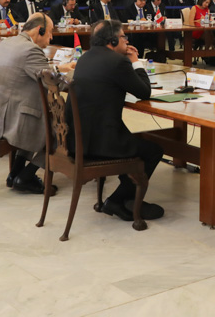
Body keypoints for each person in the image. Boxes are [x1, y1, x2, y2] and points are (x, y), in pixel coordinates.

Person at [67, 19, 162, 222]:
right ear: (112, 40)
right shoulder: (118, 62)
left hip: (78, 138)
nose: (126, 42)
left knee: (136, 139)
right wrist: (135, 60)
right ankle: (119, 200)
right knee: (153, 150)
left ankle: (125, 194)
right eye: (123, 37)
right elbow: (144, 91)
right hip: (101, 142)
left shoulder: (85, 58)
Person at [0, 13, 74, 194]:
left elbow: (33, 71)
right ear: (39, 30)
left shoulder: (7, 43)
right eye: (49, 33)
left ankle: (16, 171)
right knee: (63, 127)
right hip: (15, 120)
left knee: (43, 112)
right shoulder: (31, 51)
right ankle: (26, 175)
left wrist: (57, 69)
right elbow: (53, 83)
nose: (51, 37)